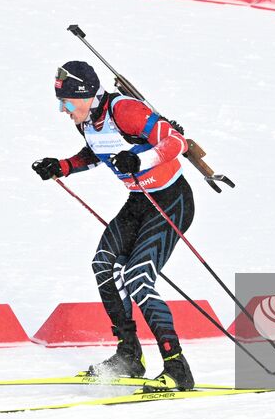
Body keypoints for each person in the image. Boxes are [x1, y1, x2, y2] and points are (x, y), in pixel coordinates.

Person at [31, 60, 197, 391]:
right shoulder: (86, 122)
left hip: (170, 200)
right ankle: (129, 357)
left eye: (66, 103)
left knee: (137, 276)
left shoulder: (125, 110)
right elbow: (97, 152)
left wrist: (141, 159)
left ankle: (177, 368)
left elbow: (177, 141)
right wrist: (63, 166)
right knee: (103, 264)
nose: (63, 110)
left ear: (85, 94)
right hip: (139, 201)